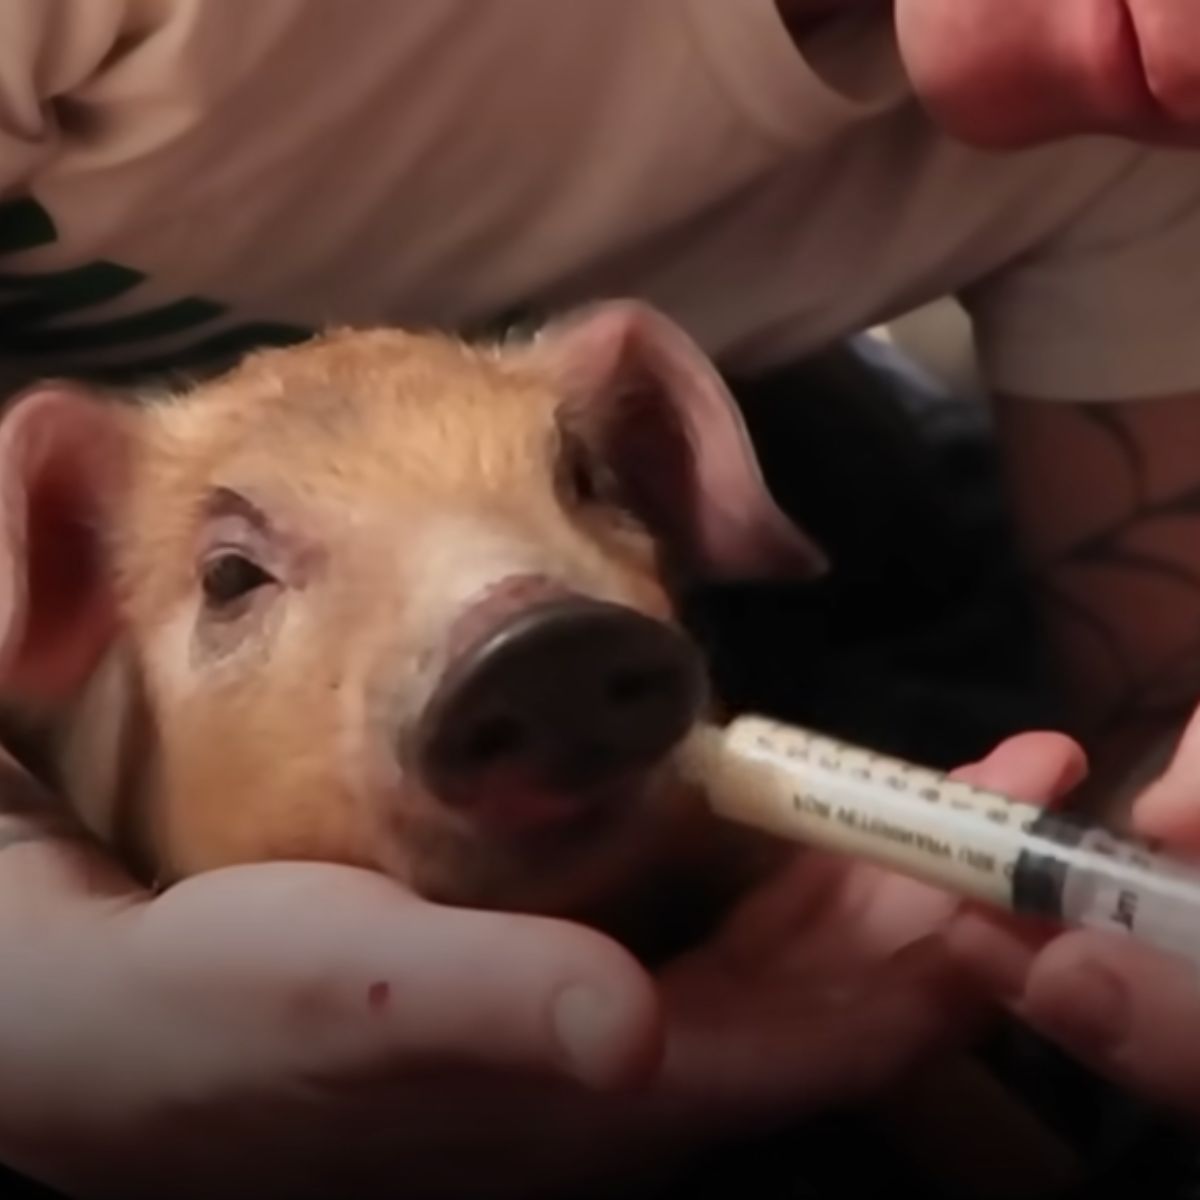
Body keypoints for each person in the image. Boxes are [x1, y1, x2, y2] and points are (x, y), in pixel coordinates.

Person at [0, 0, 1198, 1195]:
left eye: (582, 480)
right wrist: (45, 994)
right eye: (236, 578)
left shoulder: (1151, 132)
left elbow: (1160, 753)